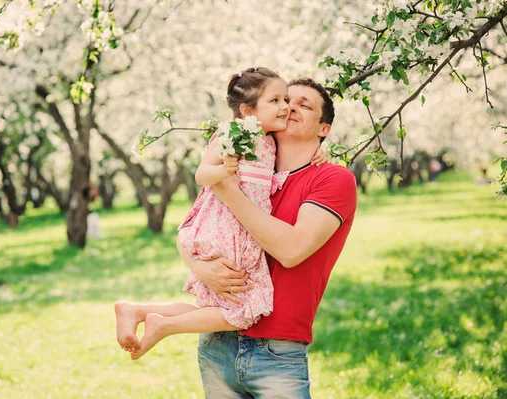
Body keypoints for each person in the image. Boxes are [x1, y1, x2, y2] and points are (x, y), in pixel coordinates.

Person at [114, 67, 328, 360]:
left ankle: (141, 311)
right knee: (245, 307)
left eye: (287, 101)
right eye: (277, 100)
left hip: (242, 229)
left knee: (218, 307)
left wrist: (323, 152)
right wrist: (224, 171)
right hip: (228, 228)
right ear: (247, 111)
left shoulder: (269, 140)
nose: (286, 107)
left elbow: (292, 157)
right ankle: (163, 324)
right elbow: (202, 174)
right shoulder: (235, 132)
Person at [180, 77, 358, 398]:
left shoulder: (333, 178)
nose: (290, 107)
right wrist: (196, 265)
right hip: (217, 340)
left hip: (277, 351)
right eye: (285, 100)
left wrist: (230, 191)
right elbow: (197, 222)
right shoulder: (249, 165)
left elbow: (291, 251)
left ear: (324, 129)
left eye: (304, 105)